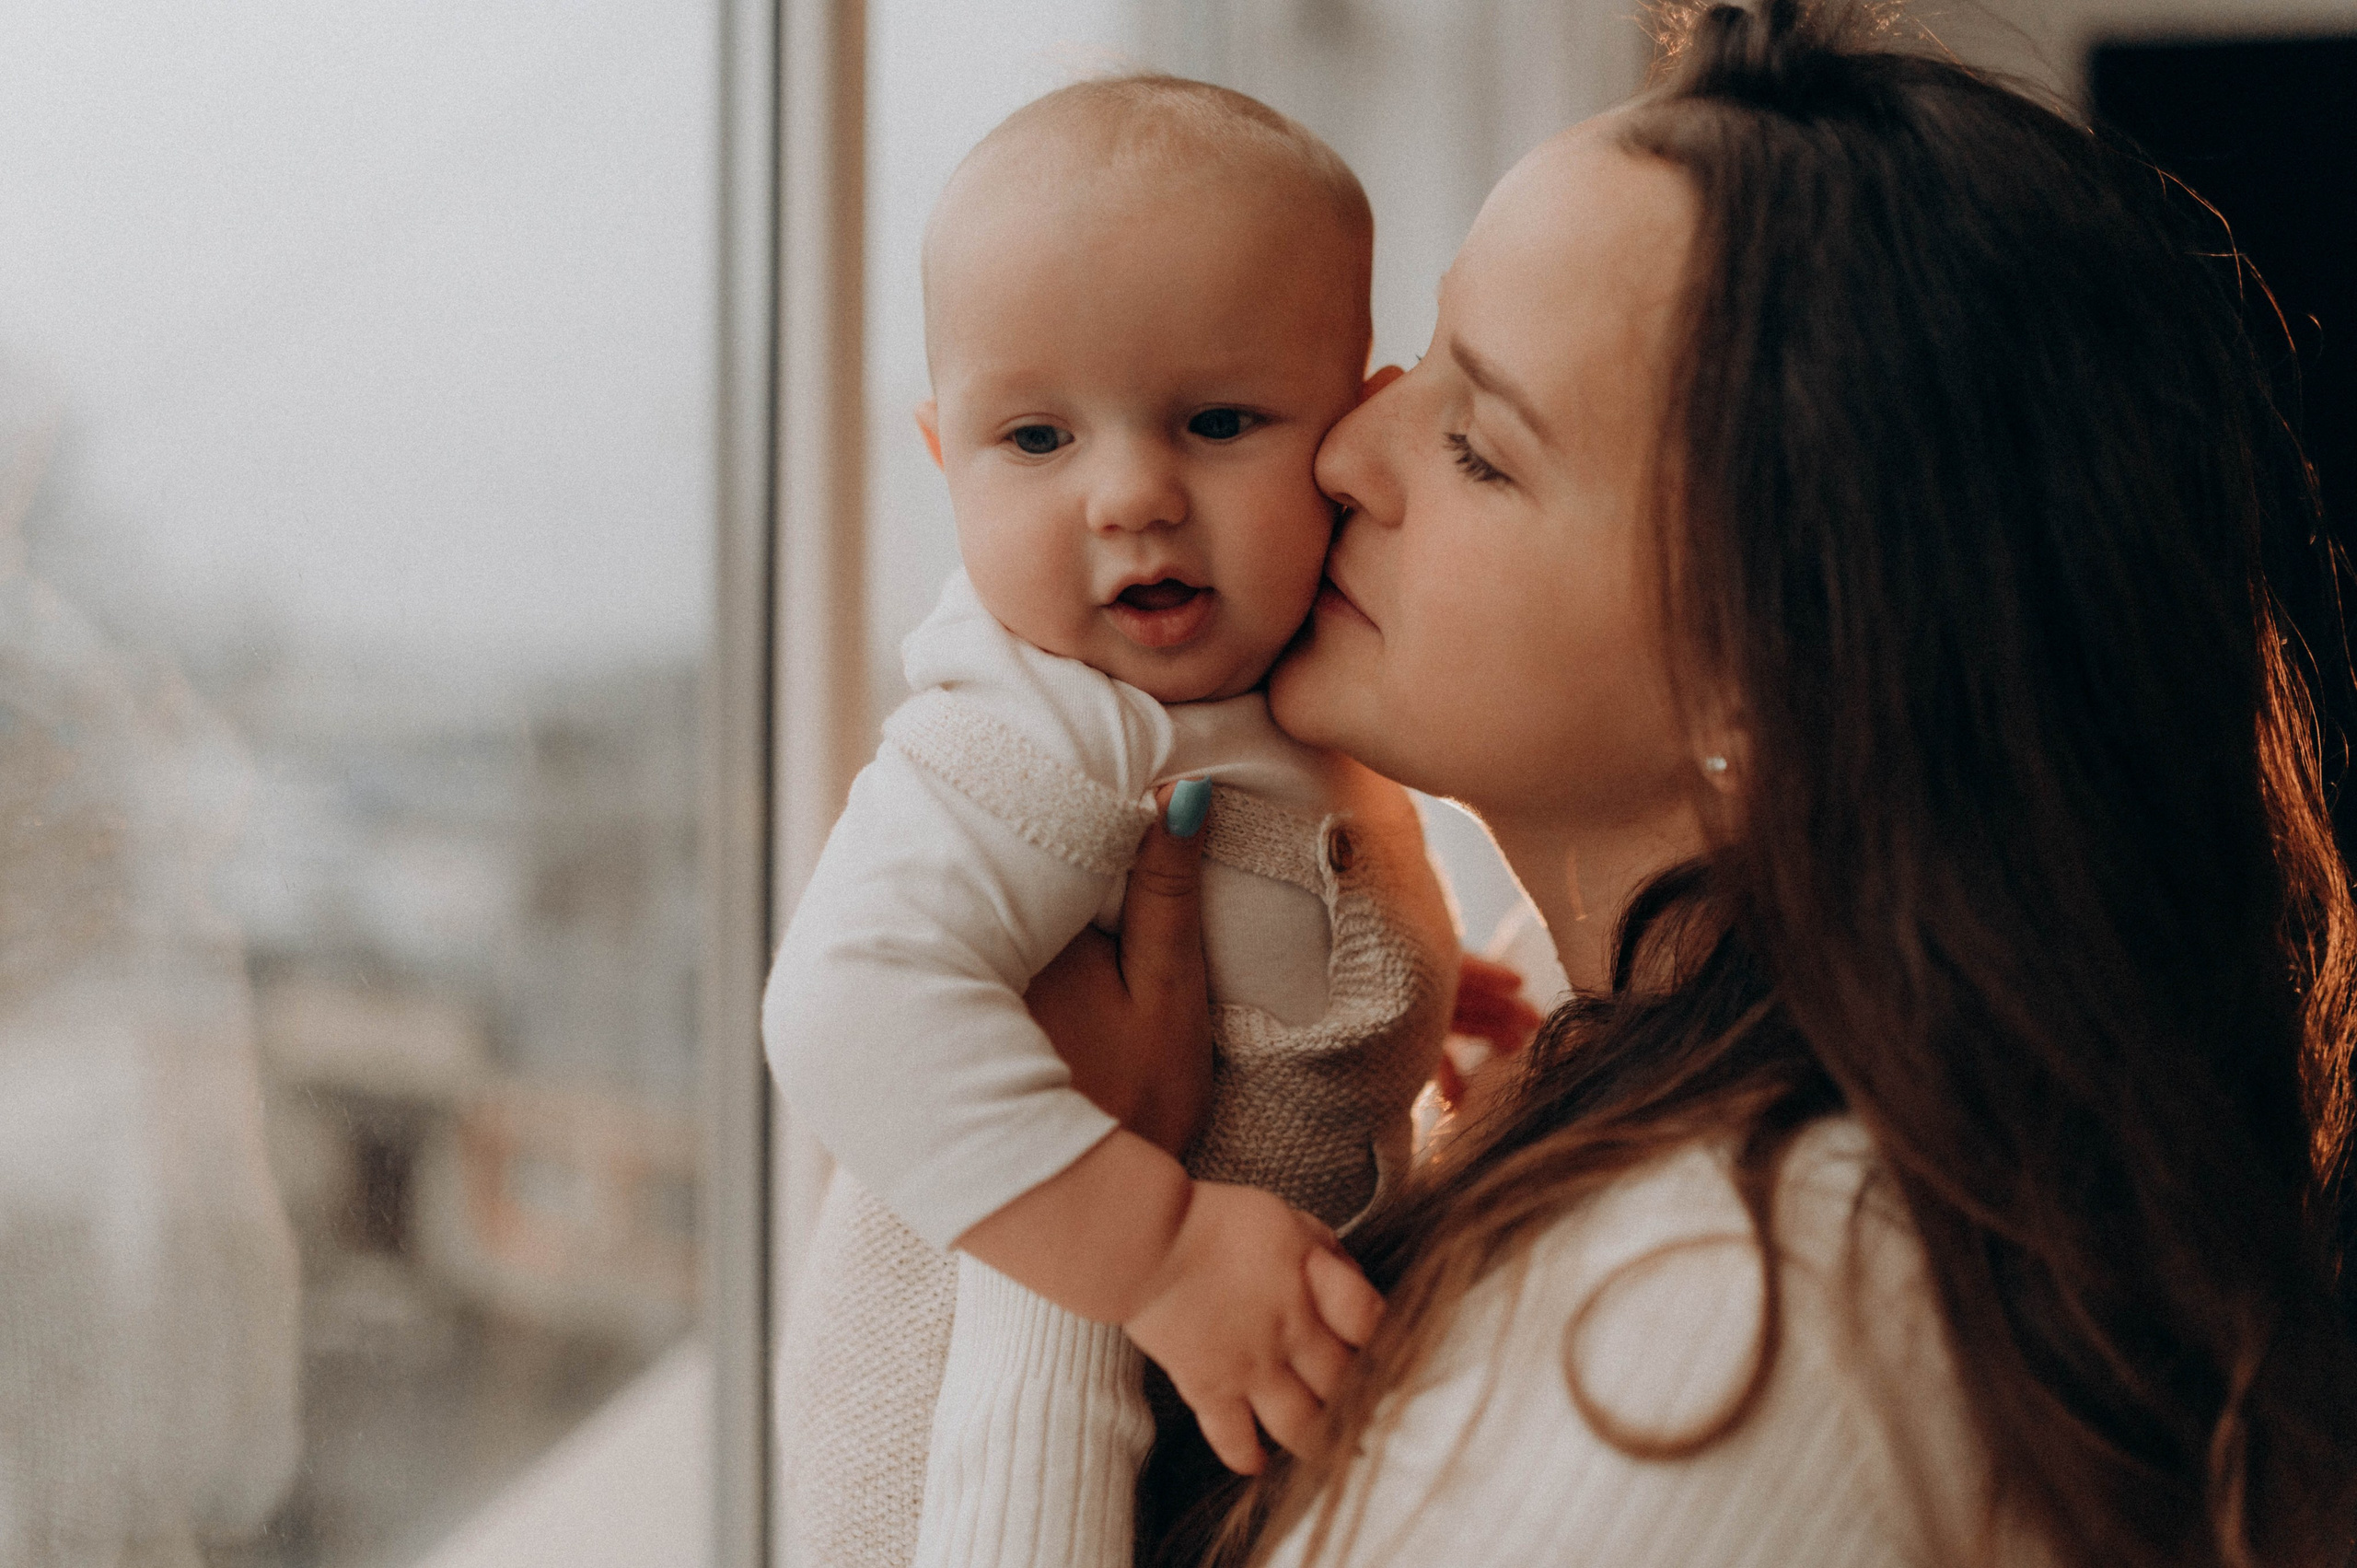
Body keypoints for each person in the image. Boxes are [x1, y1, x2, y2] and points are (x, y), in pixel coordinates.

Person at [1017, 3, 2357, 1564]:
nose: (1345, 452)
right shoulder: (1570, 1060)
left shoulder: (1735, 1321)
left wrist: (1065, 1227)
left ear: (1778, 668)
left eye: (1481, 446)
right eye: (1421, 358)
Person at [761, 77, 1470, 1568]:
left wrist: (1401, 991)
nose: (1133, 493)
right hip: (968, 1460)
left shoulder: (1281, 688)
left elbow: (1261, 934)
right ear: (943, 457)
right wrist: (1150, 1249)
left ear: (1351, 426)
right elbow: (843, 1000)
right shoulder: (1034, 726)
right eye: (1036, 440)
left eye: (1218, 421)